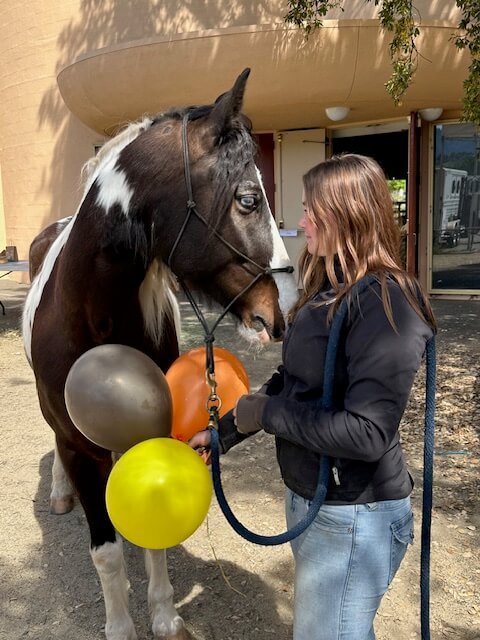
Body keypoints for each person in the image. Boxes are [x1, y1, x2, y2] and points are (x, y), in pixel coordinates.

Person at [189, 153, 436, 640]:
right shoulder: (328, 291)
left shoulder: (387, 304)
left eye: (309, 210)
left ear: (347, 213)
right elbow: (294, 380)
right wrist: (226, 432)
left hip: (354, 516)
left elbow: (367, 433)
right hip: (315, 505)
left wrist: (267, 413)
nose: (300, 224)